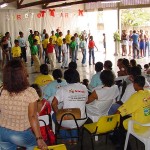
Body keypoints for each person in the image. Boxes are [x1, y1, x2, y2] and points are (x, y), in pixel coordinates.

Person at [0, 59, 47, 149]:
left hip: (2, 132)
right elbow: (33, 116)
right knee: (32, 145)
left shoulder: (2, 90)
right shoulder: (30, 92)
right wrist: (39, 138)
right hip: (20, 134)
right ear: (22, 73)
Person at [51, 69, 88, 142]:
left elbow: (53, 104)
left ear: (66, 78)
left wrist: (58, 113)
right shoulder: (84, 87)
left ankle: (66, 138)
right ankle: (75, 138)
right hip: (81, 120)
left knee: (54, 116)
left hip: (65, 121)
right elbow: (85, 101)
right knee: (74, 119)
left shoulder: (63, 89)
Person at [116, 75, 150, 149]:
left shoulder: (135, 96)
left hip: (140, 126)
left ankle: (125, 146)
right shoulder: (148, 93)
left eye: (134, 84)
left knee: (119, 124)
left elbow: (122, 110)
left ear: (136, 84)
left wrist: (114, 116)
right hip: (148, 123)